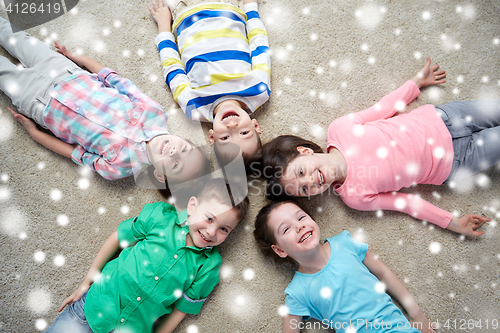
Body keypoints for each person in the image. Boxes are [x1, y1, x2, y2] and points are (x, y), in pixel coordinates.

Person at [259, 58, 497, 236]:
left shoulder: (339, 129)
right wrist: (452, 223)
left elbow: (383, 108)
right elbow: (407, 204)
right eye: (303, 190)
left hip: (443, 118)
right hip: (455, 163)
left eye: (301, 172)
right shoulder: (355, 197)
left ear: (305, 151)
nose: (310, 182)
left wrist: (414, 84)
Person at [0, 17, 209, 182]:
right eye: (184, 149)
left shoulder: (118, 168)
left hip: (39, 104)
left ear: (160, 175)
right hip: (67, 72)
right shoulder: (155, 112)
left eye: (175, 165)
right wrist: (77, 58)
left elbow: (74, 153)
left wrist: (34, 133)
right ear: (184, 140)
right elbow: (116, 80)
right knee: (17, 38)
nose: (175, 152)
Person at [44, 178, 249, 333]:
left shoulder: (209, 266)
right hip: (92, 308)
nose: (212, 232)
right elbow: (118, 237)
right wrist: (86, 282)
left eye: (224, 229)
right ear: (192, 206)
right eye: (209, 218)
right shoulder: (161, 216)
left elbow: (180, 311)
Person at [254, 200, 436, 333]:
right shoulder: (298, 292)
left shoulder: (344, 243)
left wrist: (418, 316)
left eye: (301, 217)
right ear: (279, 250)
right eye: (286, 229)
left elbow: (383, 273)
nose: (299, 227)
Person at [148, 0, 271, 161]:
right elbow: (259, 46)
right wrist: (250, 8)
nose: (232, 126)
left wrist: (163, 29)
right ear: (255, 126)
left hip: (184, 13)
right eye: (244, 133)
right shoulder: (259, 90)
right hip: (229, 8)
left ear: (212, 137)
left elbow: (172, 69)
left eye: (225, 138)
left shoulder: (194, 107)